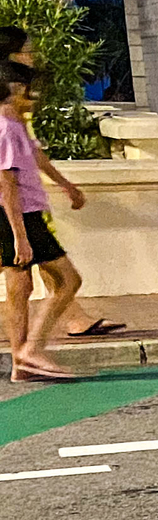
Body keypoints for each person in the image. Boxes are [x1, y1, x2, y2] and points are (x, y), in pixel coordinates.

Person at [0, 35, 123, 345]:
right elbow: (9, 172)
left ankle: (49, 333)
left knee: (31, 269)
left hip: (23, 203)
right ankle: (28, 347)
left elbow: (31, 150)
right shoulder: (8, 106)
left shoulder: (16, 105)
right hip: (14, 204)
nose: (32, 56)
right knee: (24, 271)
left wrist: (64, 184)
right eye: (26, 51)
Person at [1, 63, 91, 382]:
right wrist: (20, 236)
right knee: (68, 281)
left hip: (26, 215)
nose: (34, 96)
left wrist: (65, 184)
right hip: (20, 217)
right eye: (29, 89)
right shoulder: (6, 128)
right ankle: (31, 351)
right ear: (13, 89)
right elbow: (7, 184)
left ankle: (21, 365)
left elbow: (35, 156)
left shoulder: (16, 123)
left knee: (22, 287)